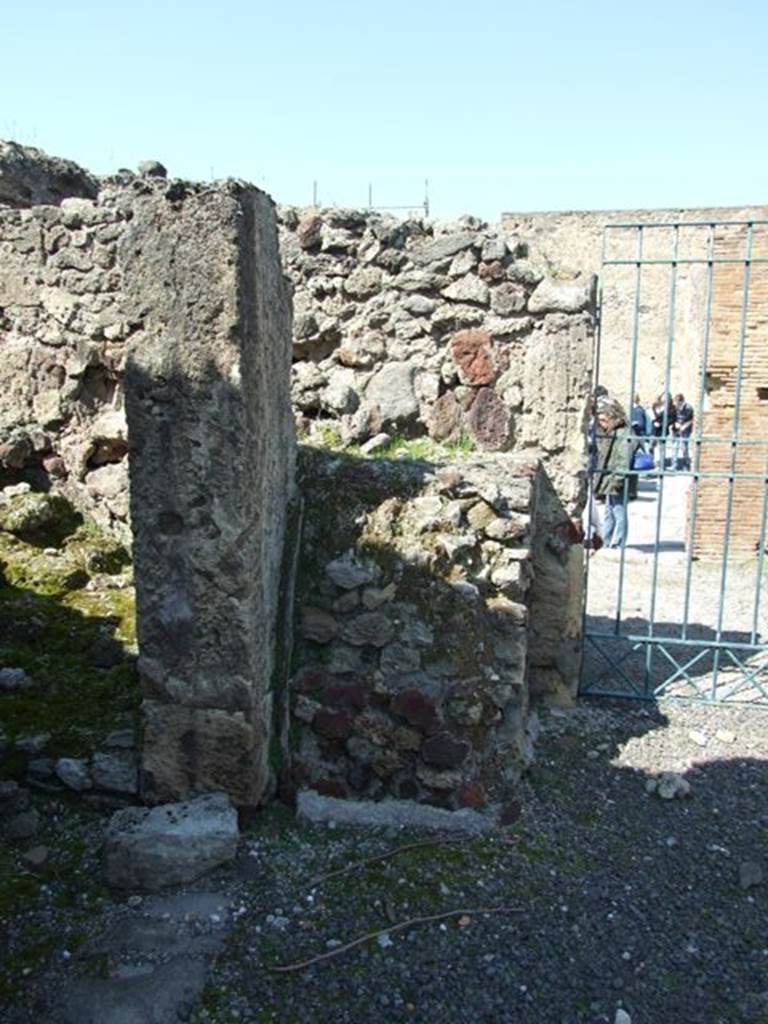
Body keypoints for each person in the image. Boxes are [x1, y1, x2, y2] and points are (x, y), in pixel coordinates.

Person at [594, 395, 635, 549]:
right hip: (609, 478)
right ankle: (605, 540)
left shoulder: (624, 433)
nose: (602, 424)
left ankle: (618, 542)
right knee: (609, 512)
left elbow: (623, 459)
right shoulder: (612, 431)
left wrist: (618, 478)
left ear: (613, 418)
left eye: (604, 421)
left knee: (619, 511)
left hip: (617, 479)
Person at [651, 392, 675, 469]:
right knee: (651, 447)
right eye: (663, 397)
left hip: (663, 430)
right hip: (654, 429)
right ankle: (653, 463)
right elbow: (653, 414)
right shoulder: (656, 405)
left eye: (666, 398)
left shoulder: (672, 408)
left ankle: (661, 465)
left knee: (661, 448)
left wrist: (661, 424)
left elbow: (672, 419)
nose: (664, 399)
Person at [672, 393, 694, 470]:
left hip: (685, 430)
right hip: (676, 429)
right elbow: (672, 417)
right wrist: (675, 423)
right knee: (675, 447)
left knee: (684, 447)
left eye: (677, 402)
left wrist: (684, 426)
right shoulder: (674, 408)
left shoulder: (688, 408)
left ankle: (686, 465)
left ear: (681, 401)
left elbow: (691, 420)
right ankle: (674, 465)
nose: (676, 404)